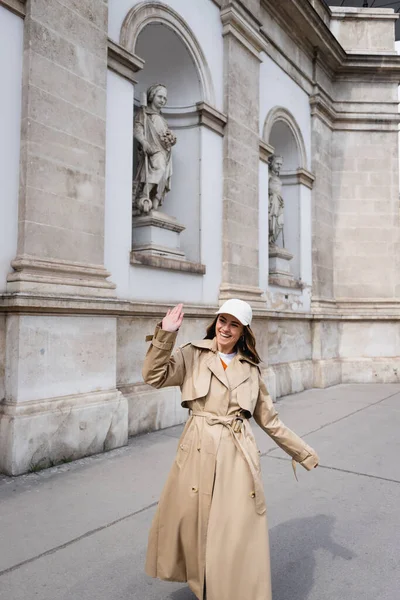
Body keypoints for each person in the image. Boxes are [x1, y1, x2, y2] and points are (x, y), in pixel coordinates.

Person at [142, 299, 319, 600]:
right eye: (222, 320)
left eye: (233, 324)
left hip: (236, 455)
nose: (225, 328)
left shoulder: (251, 371)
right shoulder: (192, 354)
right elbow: (153, 376)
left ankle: (228, 590)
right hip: (196, 448)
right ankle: (203, 584)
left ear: (243, 332)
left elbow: (270, 420)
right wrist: (165, 335)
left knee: (233, 527)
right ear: (216, 323)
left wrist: (303, 453)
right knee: (193, 521)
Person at [133, 83, 177, 213]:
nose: (162, 100)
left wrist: (171, 139)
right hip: (152, 150)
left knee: (164, 175)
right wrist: (144, 142)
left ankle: (156, 202)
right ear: (152, 96)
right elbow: (137, 130)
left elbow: (164, 135)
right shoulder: (144, 114)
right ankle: (144, 195)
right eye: (160, 97)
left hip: (164, 152)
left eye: (164, 98)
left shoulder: (163, 120)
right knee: (159, 168)